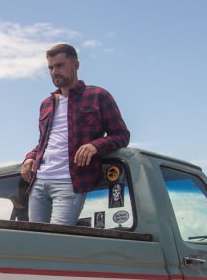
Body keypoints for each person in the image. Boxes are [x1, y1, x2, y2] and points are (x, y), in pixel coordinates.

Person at [21, 43, 130, 225]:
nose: (54, 72)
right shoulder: (46, 104)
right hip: (38, 181)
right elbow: (44, 142)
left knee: (58, 238)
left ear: (75, 65)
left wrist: (95, 146)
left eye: (59, 66)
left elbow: (121, 135)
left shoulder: (98, 96)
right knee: (36, 239)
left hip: (69, 182)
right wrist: (29, 157)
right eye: (51, 68)